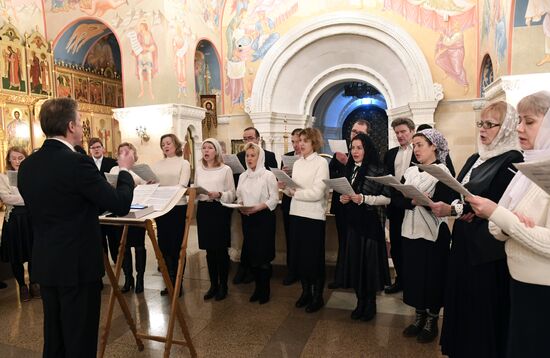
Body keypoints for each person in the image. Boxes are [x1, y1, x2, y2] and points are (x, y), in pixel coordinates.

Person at [18, 97, 135, 357]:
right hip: (77, 265)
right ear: (71, 126)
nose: (83, 129)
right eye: (81, 123)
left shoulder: (27, 166)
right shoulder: (77, 163)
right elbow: (119, 203)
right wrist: (124, 171)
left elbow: (57, 205)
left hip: (46, 263)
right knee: (80, 339)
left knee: (55, 338)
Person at [431, 101, 523, 358]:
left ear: (506, 128)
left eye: (490, 125)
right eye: (480, 123)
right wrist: (454, 208)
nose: (483, 129)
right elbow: (461, 191)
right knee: (461, 300)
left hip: (486, 249)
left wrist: (456, 210)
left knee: (481, 307)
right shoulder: (476, 157)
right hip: (463, 240)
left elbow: (499, 204)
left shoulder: (512, 160)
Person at [467, 91, 550, 357]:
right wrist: (511, 222)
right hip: (519, 282)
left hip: (542, 289)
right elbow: (497, 228)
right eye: (519, 121)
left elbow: (501, 219)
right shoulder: (529, 166)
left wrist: (504, 218)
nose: (519, 128)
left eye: (529, 122)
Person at [393, 128, 454, 343]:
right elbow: (396, 199)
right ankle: (419, 316)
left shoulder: (443, 172)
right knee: (415, 277)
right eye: (414, 146)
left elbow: (446, 202)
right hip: (410, 231)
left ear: (434, 147)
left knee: (433, 277)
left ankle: (432, 320)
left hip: (434, 235)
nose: (415, 149)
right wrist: (412, 200)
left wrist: (426, 201)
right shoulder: (410, 172)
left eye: (419, 145)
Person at [338, 133, 391, 321]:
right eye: (352, 148)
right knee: (356, 264)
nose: (355, 151)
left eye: (359, 147)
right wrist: (342, 198)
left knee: (369, 266)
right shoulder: (349, 168)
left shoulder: (378, 169)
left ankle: (370, 304)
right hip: (353, 223)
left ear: (366, 149)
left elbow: (388, 197)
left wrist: (364, 198)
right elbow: (345, 191)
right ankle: (360, 301)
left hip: (370, 223)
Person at [284, 128, 329, 313]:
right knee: (300, 257)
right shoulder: (298, 163)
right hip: (296, 213)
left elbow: (318, 193)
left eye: (305, 141)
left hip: (313, 216)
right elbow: (292, 191)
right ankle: (305, 292)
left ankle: (317, 296)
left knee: (314, 258)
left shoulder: (321, 163)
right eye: (299, 140)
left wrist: (295, 193)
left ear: (314, 143)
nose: (300, 144)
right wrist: (285, 187)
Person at [233, 127, 277, 285]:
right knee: (252, 252)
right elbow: (239, 195)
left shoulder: (268, 175)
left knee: (263, 256)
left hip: (263, 218)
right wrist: (240, 205)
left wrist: (259, 207)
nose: (250, 159)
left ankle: (264, 291)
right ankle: (256, 289)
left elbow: (274, 199)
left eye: (253, 156)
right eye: (248, 156)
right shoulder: (244, 176)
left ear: (260, 157)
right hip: (248, 218)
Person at [328, 120, 369, 290]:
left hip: (360, 208)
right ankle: (341, 277)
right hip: (341, 205)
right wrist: (341, 163)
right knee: (343, 242)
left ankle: (357, 279)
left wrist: (347, 163)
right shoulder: (341, 152)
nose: (355, 134)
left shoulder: (369, 154)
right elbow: (330, 175)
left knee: (357, 244)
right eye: (353, 131)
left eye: (360, 132)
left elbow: (367, 180)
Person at [195, 138, 235, 301]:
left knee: (220, 250)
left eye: (210, 148)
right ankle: (213, 285)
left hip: (219, 209)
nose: (206, 151)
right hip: (204, 210)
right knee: (209, 251)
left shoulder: (225, 169)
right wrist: (196, 192)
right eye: (204, 148)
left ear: (216, 151)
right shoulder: (199, 169)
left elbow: (232, 193)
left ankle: (223, 286)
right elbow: (196, 189)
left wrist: (219, 194)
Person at [151, 134, 191, 297]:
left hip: (177, 208)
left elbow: (182, 186)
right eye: (163, 144)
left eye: (168, 143)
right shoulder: (158, 164)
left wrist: (162, 189)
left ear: (176, 145)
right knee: (164, 247)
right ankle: (169, 282)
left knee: (177, 247)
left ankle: (178, 284)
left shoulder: (184, 163)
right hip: (162, 208)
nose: (165, 146)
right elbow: (153, 182)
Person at [0, 146, 38, 302]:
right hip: (14, 220)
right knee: (16, 255)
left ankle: (34, 283)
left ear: (25, 158)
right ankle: (22, 286)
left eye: (20, 158)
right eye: (13, 158)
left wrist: (19, 196)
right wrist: (27, 198)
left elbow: (37, 194)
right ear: (9, 159)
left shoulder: (31, 174)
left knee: (33, 253)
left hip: (30, 218)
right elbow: (6, 198)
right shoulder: (2, 177)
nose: (16, 161)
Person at [383, 117, 416, 294]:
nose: (400, 135)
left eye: (403, 131)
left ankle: (413, 281)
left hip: (414, 205)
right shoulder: (390, 153)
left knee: (411, 245)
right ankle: (400, 280)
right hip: (395, 205)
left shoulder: (419, 151)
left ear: (412, 131)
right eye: (397, 133)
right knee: (396, 245)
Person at [110, 143, 147, 294]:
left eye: (127, 151)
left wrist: (148, 184)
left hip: (137, 212)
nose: (124, 154)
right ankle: (128, 278)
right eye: (121, 152)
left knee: (138, 247)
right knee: (123, 248)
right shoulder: (114, 169)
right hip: (120, 212)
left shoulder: (141, 169)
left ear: (133, 153)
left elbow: (147, 187)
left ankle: (140, 279)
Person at [88, 138, 119, 264]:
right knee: (99, 237)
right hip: (94, 206)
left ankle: (117, 261)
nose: (96, 149)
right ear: (89, 151)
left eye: (98, 147)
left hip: (109, 204)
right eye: (93, 148)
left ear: (103, 148)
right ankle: (103, 262)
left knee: (113, 236)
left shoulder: (112, 162)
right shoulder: (86, 163)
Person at [280, 128, 302, 285]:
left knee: (302, 238)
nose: (295, 145)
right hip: (288, 201)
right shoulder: (287, 158)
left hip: (303, 201)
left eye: (298, 141)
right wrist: (283, 174)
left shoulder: (311, 159)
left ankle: (303, 270)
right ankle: (291, 270)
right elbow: (282, 180)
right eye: (293, 142)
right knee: (290, 237)